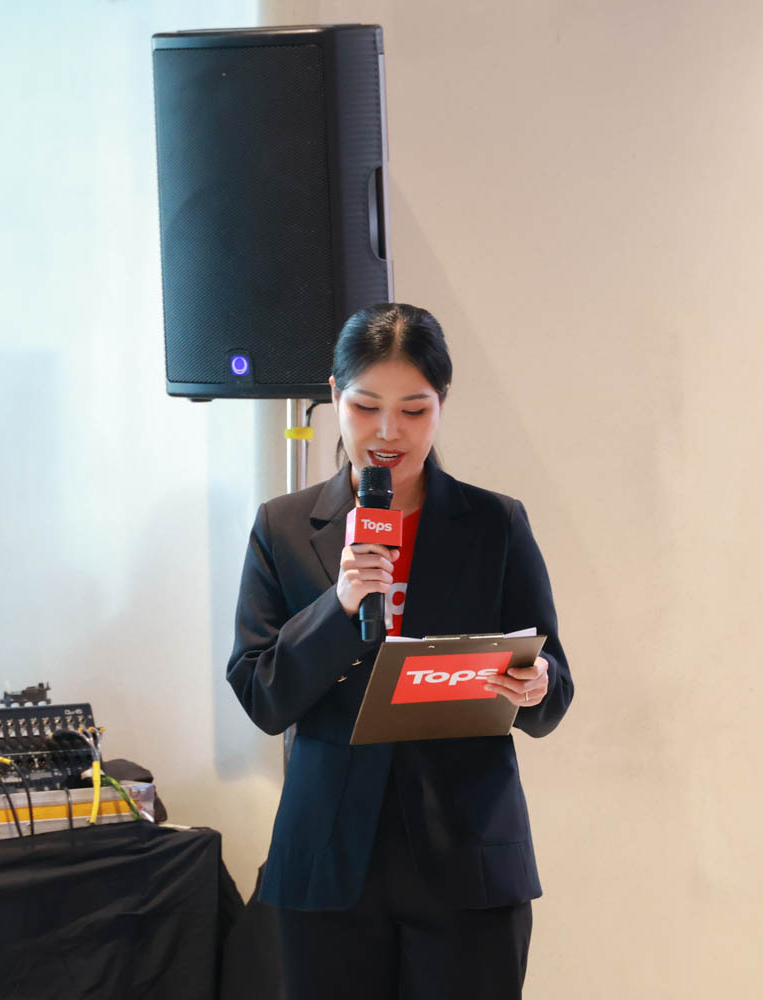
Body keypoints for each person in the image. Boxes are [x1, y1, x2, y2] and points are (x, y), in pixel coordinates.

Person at [228, 303, 573, 999]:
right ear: (334, 395)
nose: (388, 432)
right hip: (326, 861)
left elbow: (553, 689)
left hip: (468, 855)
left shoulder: (495, 524)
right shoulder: (284, 528)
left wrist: (537, 683)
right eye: (366, 407)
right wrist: (339, 605)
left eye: (414, 410)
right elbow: (263, 696)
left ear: (442, 403)